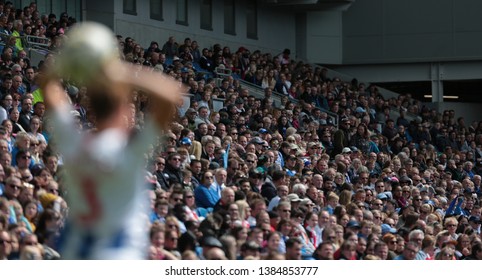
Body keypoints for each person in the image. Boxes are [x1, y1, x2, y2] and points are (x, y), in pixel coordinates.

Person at [41, 22, 183, 259]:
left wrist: (73, 63)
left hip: (75, 251)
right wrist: (118, 70)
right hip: (117, 254)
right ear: (121, 109)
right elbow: (171, 95)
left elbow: (48, 85)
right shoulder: (128, 152)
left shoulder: (73, 143)